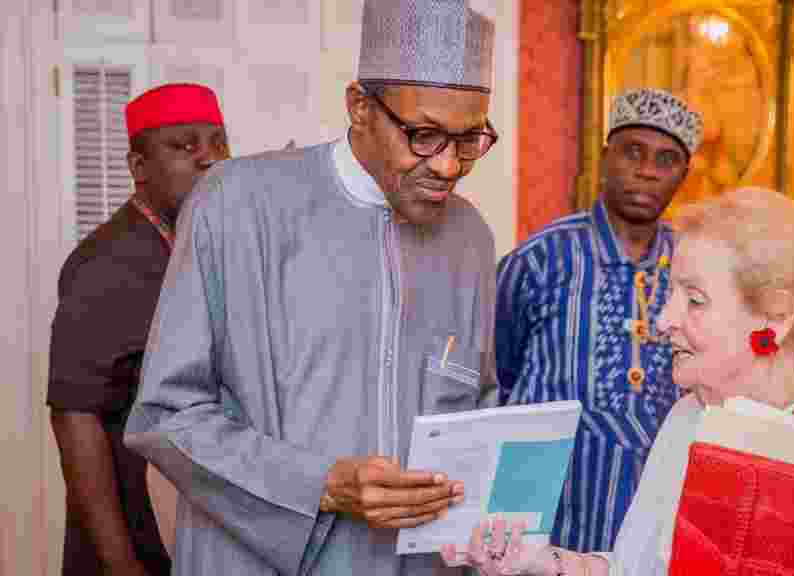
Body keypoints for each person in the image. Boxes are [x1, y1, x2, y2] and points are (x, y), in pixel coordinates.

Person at [123, 0, 500, 574]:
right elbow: (167, 418)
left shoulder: (469, 238)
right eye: (424, 135)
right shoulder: (237, 205)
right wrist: (320, 485)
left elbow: (475, 409)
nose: (448, 166)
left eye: (470, 140)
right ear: (359, 107)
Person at [443, 187, 794, 575]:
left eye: (694, 300)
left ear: (776, 315)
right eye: (669, 293)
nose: (663, 320)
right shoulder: (688, 417)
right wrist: (544, 563)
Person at [495, 87, 701, 553]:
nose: (647, 170)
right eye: (633, 152)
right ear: (605, 156)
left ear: (683, 175)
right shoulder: (544, 256)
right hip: (544, 505)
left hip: (651, 504)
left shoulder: (692, 265)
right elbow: (497, 369)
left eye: (666, 160)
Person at [47, 82, 228, 576]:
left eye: (218, 142)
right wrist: (121, 564)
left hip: (192, 533)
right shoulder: (104, 265)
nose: (209, 158)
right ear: (139, 167)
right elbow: (74, 418)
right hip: (129, 541)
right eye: (184, 146)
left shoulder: (205, 245)